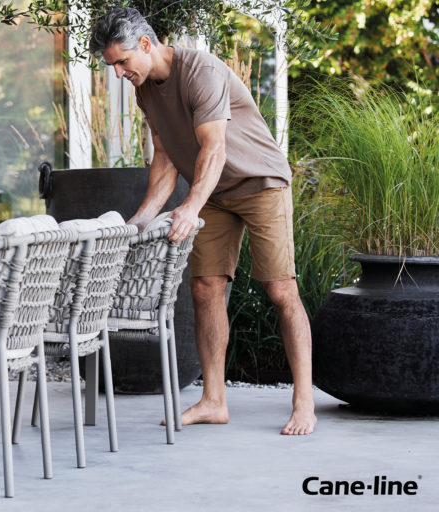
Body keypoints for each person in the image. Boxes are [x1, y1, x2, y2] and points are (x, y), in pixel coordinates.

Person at [89, 8, 316, 435]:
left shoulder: (201, 71)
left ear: (145, 44)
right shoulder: (145, 89)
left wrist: (190, 207)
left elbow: (214, 148)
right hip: (212, 192)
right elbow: (165, 156)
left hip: (260, 182)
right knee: (204, 287)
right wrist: (140, 220)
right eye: (111, 66)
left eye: (122, 62)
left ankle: (304, 402)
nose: (118, 73)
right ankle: (214, 400)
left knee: (280, 288)